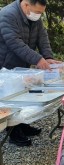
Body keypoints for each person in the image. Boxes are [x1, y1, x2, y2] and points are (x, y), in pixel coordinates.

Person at [0, 0, 60, 146]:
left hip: (21, 64)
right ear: (26, 4)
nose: (39, 15)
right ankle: (12, 132)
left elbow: (42, 37)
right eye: (37, 12)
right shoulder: (7, 14)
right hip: (4, 65)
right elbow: (14, 42)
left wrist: (48, 57)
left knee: (23, 95)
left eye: (41, 13)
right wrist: (38, 59)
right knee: (9, 98)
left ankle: (22, 125)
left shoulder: (34, 18)